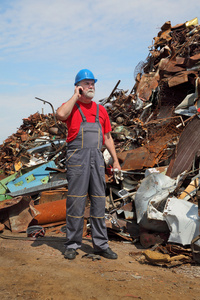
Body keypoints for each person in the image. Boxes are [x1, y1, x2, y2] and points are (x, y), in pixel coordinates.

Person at [56, 69, 121, 260]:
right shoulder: (71, 107)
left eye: (92, 83)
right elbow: (60, 115)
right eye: (86, 83)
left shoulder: (101, 110)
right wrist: (75, 97)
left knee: (99, 203)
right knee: (76, 202)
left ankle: (100, 245)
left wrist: (116, 161)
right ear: (78, 87)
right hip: (77, 159)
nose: (91, 86)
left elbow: (107, 137)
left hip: (97, 160)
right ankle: (72, 244)